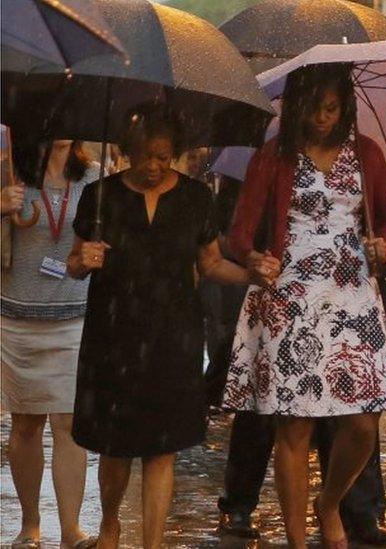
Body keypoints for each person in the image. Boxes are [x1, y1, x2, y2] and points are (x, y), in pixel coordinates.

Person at [221, 63, 386, 549]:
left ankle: (330, 502)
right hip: (289, 295)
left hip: (353, 295)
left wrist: (383, 244)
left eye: (332, 107)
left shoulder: (367, 154)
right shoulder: (272, 156)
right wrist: (254, 258)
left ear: (345, 105)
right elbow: (239, 233)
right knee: (294, 424)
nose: (323, 118)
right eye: (314, 108)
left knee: (364, 423)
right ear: (296, 107)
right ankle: (298, 540)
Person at [67, 104, 264, 549]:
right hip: (113, 336)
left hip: (174, 337)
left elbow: (210, 263)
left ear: (175, 152)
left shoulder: (196, 198)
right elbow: (74, 264)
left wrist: (251, 274)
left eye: (163, 156)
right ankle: (111, 521)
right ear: (128, 151)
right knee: (114, 448)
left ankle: (153, 543)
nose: (154, 166)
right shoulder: (99, 195)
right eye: (144, 156)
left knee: (162, 448)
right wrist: (84, 262)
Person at [1, 139, 98, 549]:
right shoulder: (8, 172)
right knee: (25, 424)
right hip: (15, 318)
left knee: (68, 424)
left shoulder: (93, 176)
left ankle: (72, 530)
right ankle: (29, 525)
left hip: (73, 314)